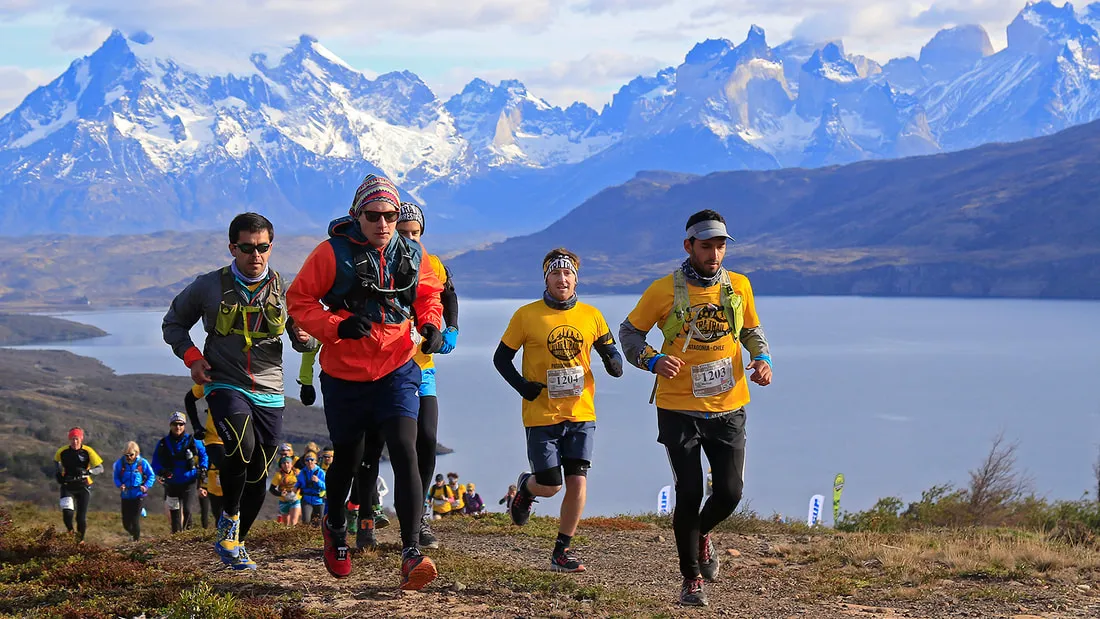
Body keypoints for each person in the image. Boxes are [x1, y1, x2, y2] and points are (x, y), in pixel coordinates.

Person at [287, 173, 444, 588]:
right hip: (346, 375)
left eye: (390, 215)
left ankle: (411, 551)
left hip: (397, 367)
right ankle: (335, 525)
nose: (383, 224)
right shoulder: (330, 254)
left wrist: (430, 324)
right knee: (349, 457)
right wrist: (336, 326)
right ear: (357, 215)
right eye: (374, 215)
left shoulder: (411, 252)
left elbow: (429, 293)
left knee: (405, 450)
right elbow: (299, 301)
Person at [618, 209, 772, 607]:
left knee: (730, 493)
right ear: (689, 246)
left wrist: (763, 359)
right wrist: (651, 360)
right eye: (707, 246)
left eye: (721, 245)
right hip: (678, 408)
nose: (715, 254)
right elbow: (630, 331)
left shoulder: (739, 286)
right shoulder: (663, 289)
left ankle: (701, 534)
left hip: (729, 405)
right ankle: (691, 580)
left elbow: (751, 331)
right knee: (688, 493)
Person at [162, 212, 318, 570]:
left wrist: (305, 339)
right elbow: (173, 323)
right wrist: (192, 358)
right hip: (224, 382)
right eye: (246, 248)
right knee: (241, 446)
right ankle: (229, 517)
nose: (255, 255)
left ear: (271, 247)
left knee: (259, 472)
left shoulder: (285, 288)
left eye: (262, 247)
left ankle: (235, 541)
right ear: (232, 247)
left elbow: (305, 338)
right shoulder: (208, 286)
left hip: (270, 388)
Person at [494, 248, 623, 574]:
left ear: (576, 278)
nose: (562, 279)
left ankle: (561, 551)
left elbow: (610, 350)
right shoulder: (526, 315)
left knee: (577, 482)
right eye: (555, 273)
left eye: (568, 274)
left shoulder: (591, 315)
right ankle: (526, 488)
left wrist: (614, 362)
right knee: (551, 485)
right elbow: (501, 359)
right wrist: (523, 386)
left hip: (581, 412)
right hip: (541, 413)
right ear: (546, 278)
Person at [152, 412, 209, 534]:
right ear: (170, 425)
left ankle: (188, 534)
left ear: (184, 425)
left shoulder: (192, 441)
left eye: (180, 424)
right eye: (175, 424)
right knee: (174, 512)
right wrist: (161, 471)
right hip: (171, 483)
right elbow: (155, 461)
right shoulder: (163, 443)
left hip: (189, 481)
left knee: (187, 510)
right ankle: (176, 536)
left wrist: (204, 468)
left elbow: (204, 454)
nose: (178, 427)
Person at [55, 427, 104, 543]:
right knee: (67, 512)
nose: (74, 441)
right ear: (69, 439)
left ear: (81, 439)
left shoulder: (88, 451)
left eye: (76, 439)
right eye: (72, 439)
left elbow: (100, 468)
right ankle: (70, 532)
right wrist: (58, 475)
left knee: (80, 518)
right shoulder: (62, 451)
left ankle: (80, 541)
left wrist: (88, 472)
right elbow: (56, 464)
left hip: (83, 486)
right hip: (67, 485)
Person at [114, 441, 155, 541]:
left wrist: (145, 486)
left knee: (134, 519)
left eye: (131, 455)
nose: (129, 457)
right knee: (126, 522)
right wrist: (120, 485)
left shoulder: (142, 463)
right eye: (126, 455)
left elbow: (151, 476)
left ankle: (136, 541)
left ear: (136, 453)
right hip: (126, 495)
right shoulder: (121, 463)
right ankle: (133, 534)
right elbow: (116, 477)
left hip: (139, 494)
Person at [269, 456, 301, 526]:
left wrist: (298, 489)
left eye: (288, 463)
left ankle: (294, 536)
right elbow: (271, 489)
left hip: (296, 500)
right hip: (284, 501)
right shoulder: (278, 475)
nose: (286, 465)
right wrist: (280, 494)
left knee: (293, 522)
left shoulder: (297, 473)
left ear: (291, 464)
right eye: (284, 463)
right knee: (286, 524)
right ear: (281, 465)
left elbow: (304, 483)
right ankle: (287, 536)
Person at [296, 452, 327, 526]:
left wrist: (318, 481)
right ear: (305, 462)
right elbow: (299, 482)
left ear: (315, 461)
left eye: (311, 460)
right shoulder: (302, 472)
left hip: (319, 500)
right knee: (306, 521)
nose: (309, 462)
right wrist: (295, 487)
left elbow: (326, 486)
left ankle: (316, 537)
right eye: (307, 460)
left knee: (318, 523)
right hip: (306, 500)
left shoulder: (321, 472)